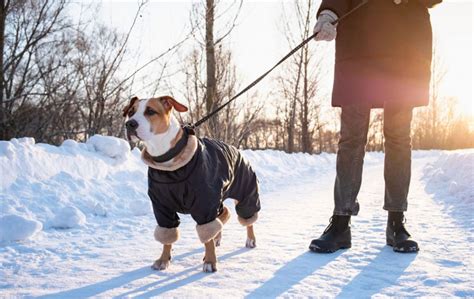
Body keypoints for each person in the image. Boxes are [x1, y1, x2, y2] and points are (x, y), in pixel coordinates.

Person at [309, 0, 442, 253]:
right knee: (351, 138)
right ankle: (340, 224)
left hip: (405, 48)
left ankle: (396, 223)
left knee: (399, 137)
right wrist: (328, 15)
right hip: (359, 45)